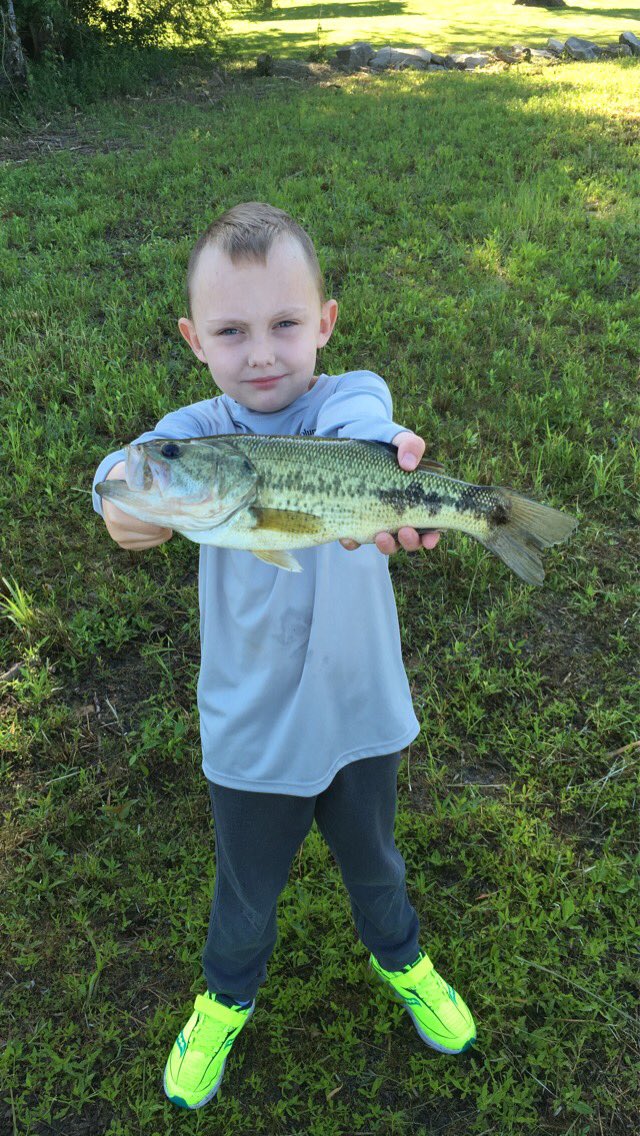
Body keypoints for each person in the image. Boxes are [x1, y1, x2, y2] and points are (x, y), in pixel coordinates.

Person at [92, 202, 476, 1112]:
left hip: (359, 712)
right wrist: (126, 501)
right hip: (252, 728)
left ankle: (403, 956)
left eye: (285, 326)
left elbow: (365, 425)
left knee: (376, 861)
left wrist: (386, 464)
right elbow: (124, 481)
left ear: (326, 324)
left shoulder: (347, 401)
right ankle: (225, 997)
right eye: (231, 332)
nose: (261, 354)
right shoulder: (193, 434)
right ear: (195, 340)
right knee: (247, 886)